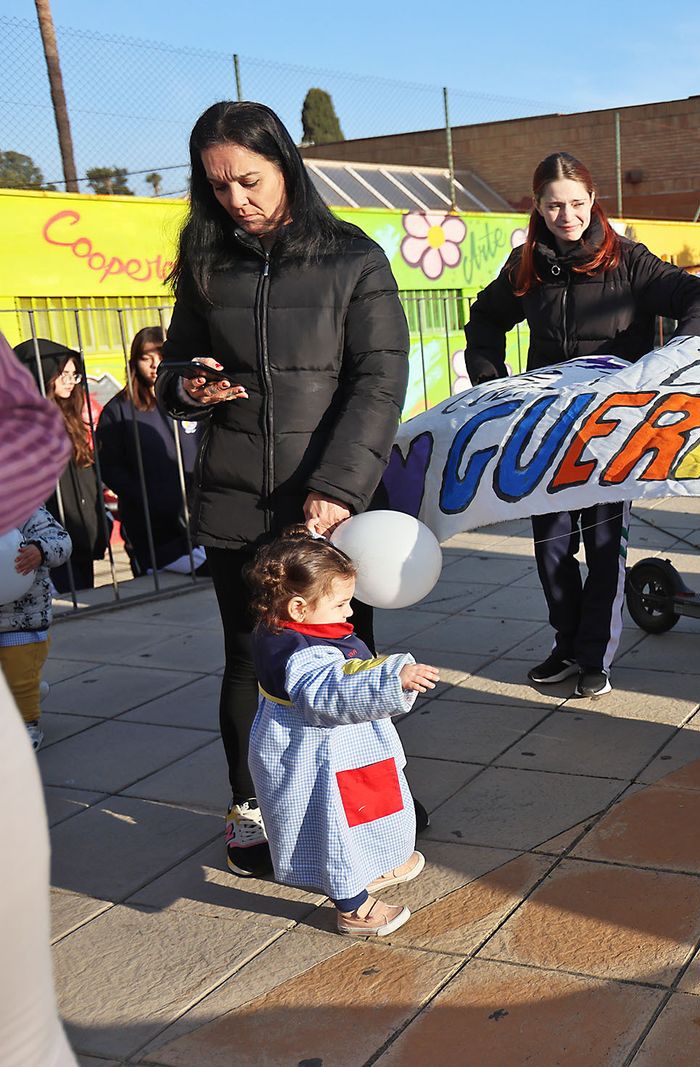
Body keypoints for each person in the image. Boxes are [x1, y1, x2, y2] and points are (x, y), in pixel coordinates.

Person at [155, 100, 411, 880]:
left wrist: (339, 486)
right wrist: (189, 388)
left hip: (325, 508)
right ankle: (250, 807)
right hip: (237, 501)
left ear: (286, 164)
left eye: (249, 179)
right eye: (218, 186)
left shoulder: (353, 258)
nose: (236, 199)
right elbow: (171, 371)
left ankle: (372, 796)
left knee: (344, 662)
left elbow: (380, 379)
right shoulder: (208, 263)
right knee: (249, 660)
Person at [463, 151, 700, 697]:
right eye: (555, 206)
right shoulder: (526, 267)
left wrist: (675, 359)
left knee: (605, 541)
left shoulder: (629, 260)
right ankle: (566, 646)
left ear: (593, 200)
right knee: (552, 544)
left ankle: (595, 658)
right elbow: (485, 318)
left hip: (614, 429)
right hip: (548, 427)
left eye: (577, 204)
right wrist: (495, 383)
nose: (568, 217)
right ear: (537, 207)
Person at [246, 527, 436, 935]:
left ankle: (381, 859)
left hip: (347, 749)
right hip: (315, 757)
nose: (349, 612)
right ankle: (353, 905)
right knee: (333, 827)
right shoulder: (300, 652)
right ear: (298, 607)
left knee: (374, 807)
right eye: (341, 603)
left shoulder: (294, 627)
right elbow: (328, 691)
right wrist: (393, 680)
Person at [0, 330, 75, 1066]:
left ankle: (26, 720)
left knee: (21, 682)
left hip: (23, 617)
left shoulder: (22, 507)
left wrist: (34, 548)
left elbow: (57, 537)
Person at [94, 325, 204, 577]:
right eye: (147, 358)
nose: (155, 365)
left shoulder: (194, 403)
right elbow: (109, 467)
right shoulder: (118, 410)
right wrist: (147, 496)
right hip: (152, 527)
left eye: (162, 357)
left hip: (201, 519)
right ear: (135, 361)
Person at [13, 338, 109, 595]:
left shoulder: (69, 417)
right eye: (63, 373)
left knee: (84, 600)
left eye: (74, 374)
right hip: (44, 535)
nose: (70, 380)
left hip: (79, 532)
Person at [0, 508, 71, 751]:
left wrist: (40, 550)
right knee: (15, 678)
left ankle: (27, 723)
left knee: (19, 675)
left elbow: (62, 541)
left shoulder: (28, 511)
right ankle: (28, 691)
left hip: (22, 619)